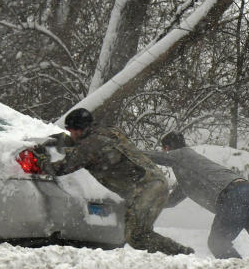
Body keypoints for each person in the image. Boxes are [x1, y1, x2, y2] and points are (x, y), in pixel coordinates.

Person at [39, 108, 194, 255]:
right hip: (156, 182)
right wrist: (63, 140)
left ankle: (181, 253)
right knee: (140, 232)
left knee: (136, 236)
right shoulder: (108, 131)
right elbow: (88, 144)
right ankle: (175, 256)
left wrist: (41, 159)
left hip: (146, 189)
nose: (70, 135)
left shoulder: (89, 146)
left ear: (78, 130)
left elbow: (60, 169)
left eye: (70, 131)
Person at [144, 132, 249, 262]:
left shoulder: (183, 154)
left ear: (167, 148)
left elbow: (155, 157)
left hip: (235, 197)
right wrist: (146, 203)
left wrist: (127, 150)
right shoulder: (187, 177)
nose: (164, 152)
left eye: (164, 149)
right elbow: (171, 201)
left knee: (217, 242)